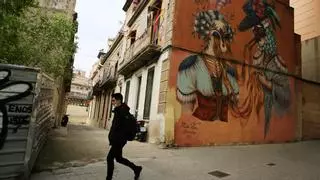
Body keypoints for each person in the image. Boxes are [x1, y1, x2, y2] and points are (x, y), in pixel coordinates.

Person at [107, 93, 142, 180]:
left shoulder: (122, 111)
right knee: (119, 158)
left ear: (118, 100)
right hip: (118, 139)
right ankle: (136, 168)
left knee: (109, 158)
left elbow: (122, 127)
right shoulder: (119, 110)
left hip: (119, 140)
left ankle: (108, 178)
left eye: (113, 100)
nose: (112, 102)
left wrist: (118, 137)